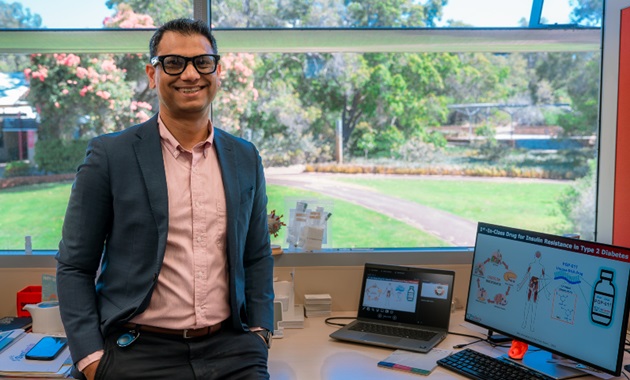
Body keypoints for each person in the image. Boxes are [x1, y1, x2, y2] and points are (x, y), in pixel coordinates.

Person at [56, 18, 274, 380]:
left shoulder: (245, 157)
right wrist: (91, 359)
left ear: (218, 71)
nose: (190, 74)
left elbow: (256, 254)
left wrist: (260, 333)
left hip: (232, 351)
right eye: (173, 62)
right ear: (152, 74)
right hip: (138, 351)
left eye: (202, 62)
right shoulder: (110, 155)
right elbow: (75, 265)